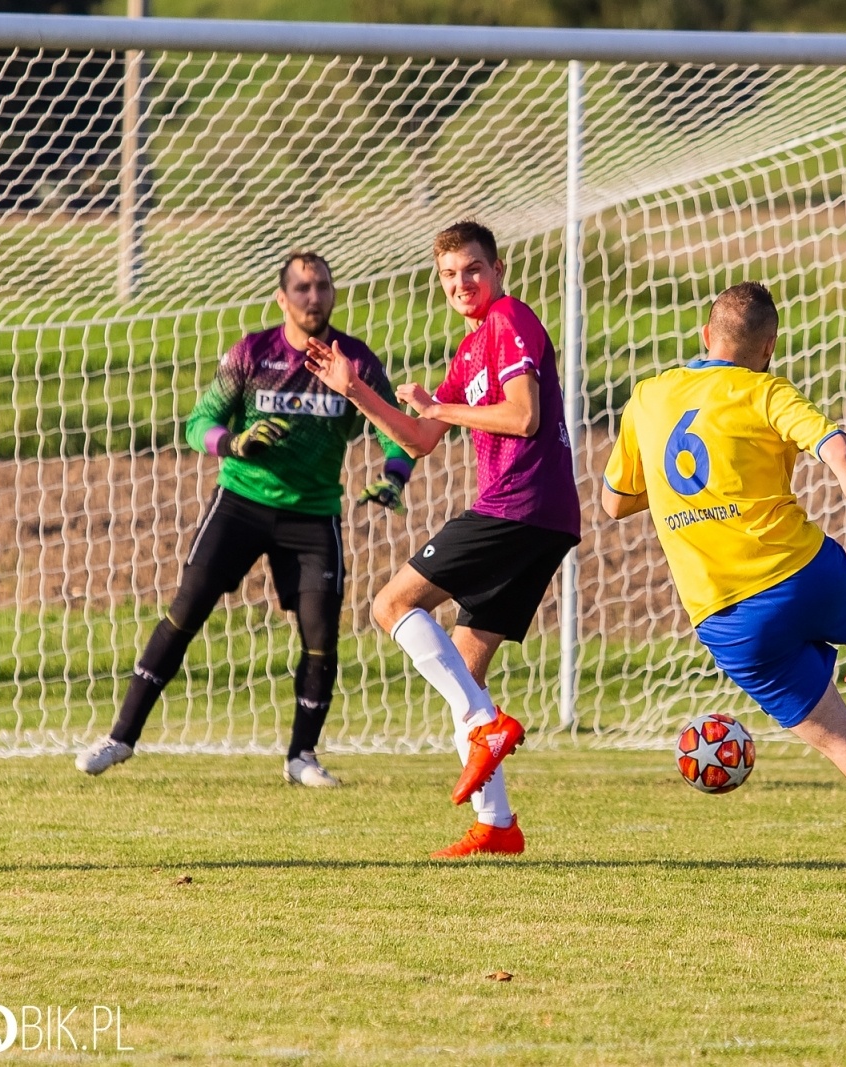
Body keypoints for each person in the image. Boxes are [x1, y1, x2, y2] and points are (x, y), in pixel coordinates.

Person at [601, 281, 846, 918]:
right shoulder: (766, 391)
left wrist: (690, 498)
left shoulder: (648, 396)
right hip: (804, 572)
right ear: (769, 348)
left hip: (729, 618)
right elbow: (838, 451)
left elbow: (614, 503)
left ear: (704, 338)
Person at [76, 250, 417, 786]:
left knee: (321, 634)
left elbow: (394, 428)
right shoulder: (253, 353)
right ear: (282, 298)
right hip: (241, 504)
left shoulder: (355, 361)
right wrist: (234, 443)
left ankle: (301, 757)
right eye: (302, 288)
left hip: (313, 516)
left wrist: (394, 475)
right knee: (185, 614)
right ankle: (121, 737)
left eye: (322, 286)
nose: (314, 296)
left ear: (333, 294)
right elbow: (199, 423)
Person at [305, 220, 580, 858]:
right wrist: (358, 392)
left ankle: (487, 727)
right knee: (465, 666)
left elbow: (524, 415)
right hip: (539, 517)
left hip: (519, 507)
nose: (462, 283)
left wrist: (441, 408)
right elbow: (420, 441)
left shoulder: (509, 318)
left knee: (391, 606)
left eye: (473, 269)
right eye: (450, 275)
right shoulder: (470, 349)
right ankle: (498, 827)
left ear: (499, 269)